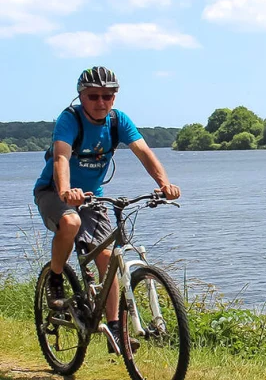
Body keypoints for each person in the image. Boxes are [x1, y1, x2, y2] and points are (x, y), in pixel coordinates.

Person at [33, 66, 180, 353]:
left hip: (93, 197)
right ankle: (55, 276)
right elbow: (61, 158)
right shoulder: (69, 119)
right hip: (54, 191)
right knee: (71, 222)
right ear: (81, 97)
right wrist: (65, 191)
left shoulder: (117, 121)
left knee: (108, 258)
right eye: (93, 96)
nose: (101, 102)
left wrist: (165, 184)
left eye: (108, 96)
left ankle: (116, 330)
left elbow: (144, 153)